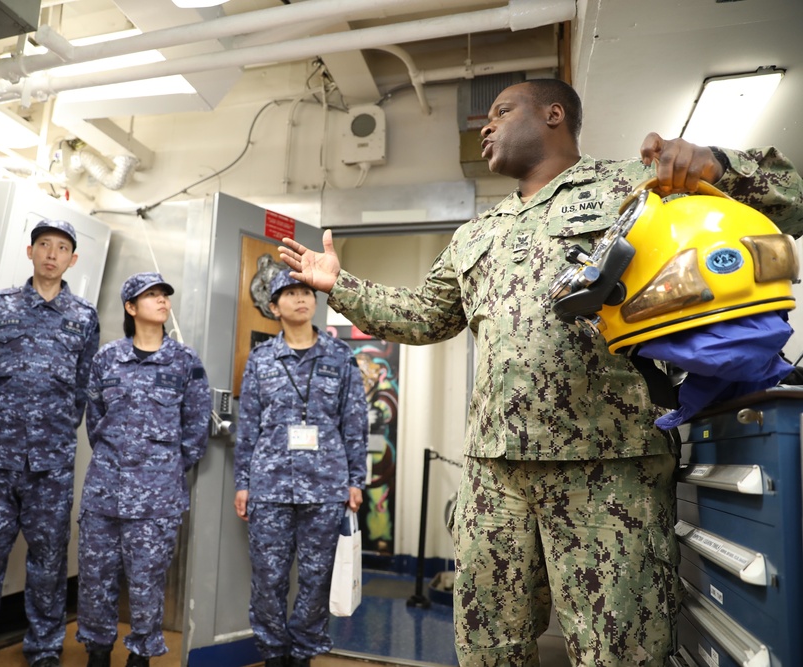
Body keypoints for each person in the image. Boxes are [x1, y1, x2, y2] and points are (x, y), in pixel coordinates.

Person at [279, 79, 803, 666]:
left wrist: (717, 164)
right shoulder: (477, 233)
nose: (486, 125)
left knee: (618, 650)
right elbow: (425, 318)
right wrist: (339, 285)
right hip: (495, 471)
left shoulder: (633, 185)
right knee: (487, 647)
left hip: (607, 463)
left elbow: (791, 200)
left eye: (501, 111)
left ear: (555, 115)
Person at [0, 219, 100, 667]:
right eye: (44, 245)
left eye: (62, 248)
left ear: (73, 259)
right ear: (29, 252)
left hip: (51, 463)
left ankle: (45, 648)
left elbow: (82, 388)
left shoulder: (84, 316)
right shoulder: (2, 306)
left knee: (49, 562)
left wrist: (50, 430)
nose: (52, 254)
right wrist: (9, 425)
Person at [234, 269, 368, 667]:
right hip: (269, 489)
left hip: (326, 487)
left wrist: (356, 480)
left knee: (316, 579)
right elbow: (248, 428)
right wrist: (243, 483)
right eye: (290, 293)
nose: (301, 299)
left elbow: (355, 423)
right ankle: (274, 654)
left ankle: (304, 654)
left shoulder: (340, 356)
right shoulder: (260, 360)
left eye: (306, 291)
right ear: (274, 307)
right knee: (268, 580)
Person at [75, 272, 210, 667]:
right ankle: (97, 652)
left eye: (164, 294)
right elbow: (94, 420)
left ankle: (141, 656)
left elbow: (196, 427)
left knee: (147, 582)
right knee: (96, 580)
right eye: (150, 296)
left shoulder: (185, 362)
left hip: (158, 497)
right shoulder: (107, 358)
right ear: (131, 308)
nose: (162, 301)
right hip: (104, 492)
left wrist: (163, 468)